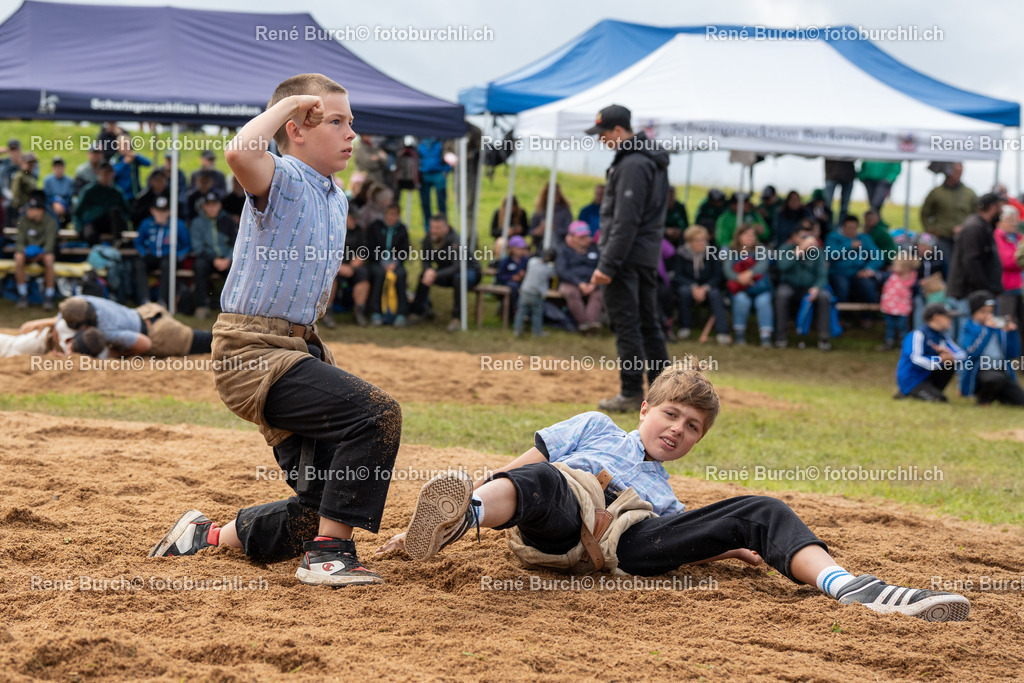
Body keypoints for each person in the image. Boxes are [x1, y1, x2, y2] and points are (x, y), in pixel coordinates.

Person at [379, 363, 970, 624]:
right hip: (559, 520)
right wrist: (448, 511)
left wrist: (734, 543)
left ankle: (851, 586)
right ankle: (462, 520)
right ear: (644, 409)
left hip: (627, 543)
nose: (677, 431)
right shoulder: (591, 427)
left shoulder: (666, 494)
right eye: (670, 415)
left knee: (760, 509)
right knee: (544, 480)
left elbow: (685, 541)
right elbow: (525, 463)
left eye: (692, 428)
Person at [149, 73, 401, 587]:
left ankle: (206, 535)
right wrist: (292, 102)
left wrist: (316, 112)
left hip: (295, 348)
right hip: (251, 352)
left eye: (352, 122)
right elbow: (241, 152)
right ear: (297, 128)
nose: (352, 133)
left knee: (316, 507)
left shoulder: (336, 198)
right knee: (376, 414)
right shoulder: (281, 176)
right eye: (336, 121)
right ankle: (330, 556)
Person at [585, 104, 670, 412]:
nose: (601, 140)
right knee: (649, 324)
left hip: (625, 258)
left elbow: (625, 220)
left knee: (627, 325)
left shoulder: (633, 164)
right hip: (645, 256)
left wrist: (607, 265)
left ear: (619, 131)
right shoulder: (650, 160)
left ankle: (632, 391)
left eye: (604, 134)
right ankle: (665, 395)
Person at [38, 295, 214, 358]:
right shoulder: (85, 301)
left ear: (84, 325)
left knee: (210, 342)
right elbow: (65, 314)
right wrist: (41, 322)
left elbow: (145, 344)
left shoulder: (106, 331)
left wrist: (118, 355)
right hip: (146, 312)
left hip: (159, 333)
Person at [410, 215, 481, 331]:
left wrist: (436, 274)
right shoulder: (428, 239)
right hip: (447, 273)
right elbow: (425, 260)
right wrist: (428, 271)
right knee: (423, 276)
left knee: (459, 279)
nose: (433, 231)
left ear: (446, 229)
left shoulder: (455, 241)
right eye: (432, 227)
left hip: (469, 272)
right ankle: (417, 312)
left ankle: (456, 318)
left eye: (437, 228)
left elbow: (456, 267)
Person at [946, 193, 1005, 331]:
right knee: (969, 334)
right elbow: (971, 262)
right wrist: (986, 289)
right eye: (1000, 207)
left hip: (977, 293)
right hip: (969, 295)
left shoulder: (983, 226)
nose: (1002, 211)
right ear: (992, 207)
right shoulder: (974, 227)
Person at [957, 291, 1023, 406]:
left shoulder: (998, 328)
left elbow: (1012, 353)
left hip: (1001, 370)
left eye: (990, 311)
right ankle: (984, 398)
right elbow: (972, 353)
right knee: (992, 379)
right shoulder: (968, 327)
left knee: (1020, 400)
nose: (988, 315)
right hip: (980, 370)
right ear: (973, 311)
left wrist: (1012, 333)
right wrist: (987, 330)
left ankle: (999, 396)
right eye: (983, 312)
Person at [775, 224, 831, 350]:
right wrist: (799, 251)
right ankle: (780, 337)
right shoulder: (786, 248)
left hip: (810, 287)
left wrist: (816, 287)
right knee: (782, 295)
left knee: (824, 297)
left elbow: (823, 275)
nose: (807, 239)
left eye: (810, 236)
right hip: (789, 285)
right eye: (804, 236)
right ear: (794, 237)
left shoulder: (817, 252)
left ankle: (824, 338)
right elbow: (782, 266)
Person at [895, 303, 965, 402]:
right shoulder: (918, 334)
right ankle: (907, 392)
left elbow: (962, 355)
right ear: (936, 317)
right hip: (912, 380)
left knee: (950, 363)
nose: (951, 320)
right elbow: (915, 359)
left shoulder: (942, 336)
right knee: (939, 400)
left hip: (927, 377)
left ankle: (933, 390)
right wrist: (940, 359)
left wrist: (950, 356)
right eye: (947, 317)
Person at [675, 225, 730, 345]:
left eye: (704, 240)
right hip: (689, 286)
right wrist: (693, 287)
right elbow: (678, 276)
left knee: (715, 294)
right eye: (697, 240)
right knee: (684, 292)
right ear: (689, 241)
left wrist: (704, 288)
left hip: (708, 286)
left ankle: (723, 332)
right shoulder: (681, 253)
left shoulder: (712, 252)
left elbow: (717, 276)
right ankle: (684, 327)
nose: (701, 243)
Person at [133, 196, 190, 306]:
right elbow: (138, 241)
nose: (160, 214)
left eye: (164, 211)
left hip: (169, 256)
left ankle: (162, 301)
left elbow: (187, 245)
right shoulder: (146, 223)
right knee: (139, 263)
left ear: (169, 211)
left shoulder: (177, 224)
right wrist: (143, 253)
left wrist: (178, 256)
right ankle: (145, 300)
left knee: (167, 264)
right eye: (158, 211)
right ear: (152, 211)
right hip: (151, 255)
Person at [189, 191, 235, 319]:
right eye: (208, 205)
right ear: (203, 206)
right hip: (208, 259)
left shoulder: (228, 220)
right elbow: (198, 247)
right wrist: (214, 259)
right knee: (199, 266)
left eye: (214, 204)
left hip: (227, 259)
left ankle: (233, 307)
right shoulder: (197, 222)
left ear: (219, 205)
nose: (211, 208)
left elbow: (236, 242)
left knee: (237, 270)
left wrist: (228, 258)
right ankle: (201, 306)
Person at [724, 223, 773, 347]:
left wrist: (749, 273)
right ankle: (739, 334)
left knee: (764, 301)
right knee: (741, 300)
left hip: (759, 287)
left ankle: (765, 336)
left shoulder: (761, 249)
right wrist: (739, 278)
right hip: (740, 287)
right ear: (739, 236)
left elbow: (763, 265)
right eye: (746, 234)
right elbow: (727, 270)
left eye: (752, 234)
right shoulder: (731, 251)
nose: (750, 237)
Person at [825, 215, 882, 319]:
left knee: (868, 287)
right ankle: (841, 318)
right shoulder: (833, 237)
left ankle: (867, 317)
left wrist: (868, 269)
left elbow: (878, 256)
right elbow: (829, 255)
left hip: (858, 272)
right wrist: (849, 246)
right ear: (843, 227)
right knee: (842, 288)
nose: (852, 231)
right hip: (838, 272)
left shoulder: (864, 238)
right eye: (849, 228)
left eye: (854, 228)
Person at [920, 163, 977, 263]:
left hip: (963, 238)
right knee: (946, 265)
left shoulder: (969, 193)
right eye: (956, 171)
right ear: (948, 171)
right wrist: (931, 229)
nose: (958, 174)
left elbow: (976, 215)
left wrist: (965, 227)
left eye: (960, 172)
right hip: (943, 238)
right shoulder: (936, 192)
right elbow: (924, 213)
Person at [367, 203, 410, 327]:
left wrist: (394, 263)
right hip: (377, 262)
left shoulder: (402, 229)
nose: (391, 218)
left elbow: (405, 250)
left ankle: (400, 313)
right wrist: (381, 262)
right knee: (379, 275)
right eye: (389, 215)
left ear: (398, 216)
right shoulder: (375, 227)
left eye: (394, 215)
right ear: (384, 215)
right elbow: (369, 248)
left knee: (401, 275)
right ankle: (376, 312)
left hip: (395, 263)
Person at [557, 222, 603, 334]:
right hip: (570, 283)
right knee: (571, 292)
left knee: (599, 294)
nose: (585, 239)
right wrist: (579, 283)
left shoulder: (594, 249)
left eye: (586, 236)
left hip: (593, 283)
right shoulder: (563, 250)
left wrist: (593, 284)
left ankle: (590, 324)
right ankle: (584, 324)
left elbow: (600, 267)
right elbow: (562, 271)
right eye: (581, 237)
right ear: (571, 237)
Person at [13, 193, 57, 310]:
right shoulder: (23, 220)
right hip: (27, 254)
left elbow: (50, 244)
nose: (28, 211)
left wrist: (40, 253)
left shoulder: (50, 221)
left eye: (32, 209)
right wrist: (26, 252)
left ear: (40, 210)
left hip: (43, 254)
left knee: (49, 259)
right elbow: (19, 242)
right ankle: (23, 295)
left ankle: (49, 296)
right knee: (18, 257)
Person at [74, 162, 130, 245]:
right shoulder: (88, 191)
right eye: (104, 174)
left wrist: (123, 223)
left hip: (110, 225)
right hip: (92, 222)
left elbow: (127, 212)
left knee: (115, 211)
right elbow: (76, 213)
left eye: (109, 174)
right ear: (98, 174)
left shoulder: (117, 192)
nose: (107, 177)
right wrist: (79, 228)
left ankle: (117, 241)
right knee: (90, 235)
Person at [994, 204, 1024, 352]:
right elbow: (1007, 260)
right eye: (1010, 219)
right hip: (1006, 288)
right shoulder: (998, 236)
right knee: (1005, 323)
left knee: (1020, 325)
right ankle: (1003, 358)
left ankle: (1019, 360)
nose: (1014, 222)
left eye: (1015, 219)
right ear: (1001, 221)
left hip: (1020, 288)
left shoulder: (1018, 237)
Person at [879, 253, 919, 351]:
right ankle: (889, 342)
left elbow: (915, 288)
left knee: (903, 327)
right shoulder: (891, 276)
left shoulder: (911, 279)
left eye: (896, 265)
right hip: (889, 307)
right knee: (889, 326)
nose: (893, 267)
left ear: (905, 268)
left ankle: (903, 344)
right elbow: (880, 277)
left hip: (902, 308)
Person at [514, 248, 556, 337]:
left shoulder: (532, 262)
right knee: (537, 314)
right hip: (537, 294)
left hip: (525, 291)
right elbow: (553, 275)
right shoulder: (549, 269)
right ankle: (537, 332)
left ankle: (517, 330)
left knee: (521, 311)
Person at [530, 183, 573, 248]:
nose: (556, 196)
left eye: (557, 193)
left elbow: (568, 230)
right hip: (540, 243)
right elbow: (530, 231)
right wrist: (538, 230)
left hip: (560, 243)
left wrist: (553, 227)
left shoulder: (565, 211)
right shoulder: (539, 211)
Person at [418, 137, 449, 222]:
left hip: (438, 174)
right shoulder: (419, 141)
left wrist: (446, 170)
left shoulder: (441, 141)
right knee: (425, 204)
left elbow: (447, 154)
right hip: (424, 175)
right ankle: (428, 229)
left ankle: (443, 226)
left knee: (441, 203)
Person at [112, 136, 151, 202]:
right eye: (122, 145)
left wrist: (136, 156)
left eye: (127, 145)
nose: (125, 148)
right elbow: (114, 173)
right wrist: (125, 163)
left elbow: (148, 163)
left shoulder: (134, 158)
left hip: (135, 194)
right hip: (122, 195)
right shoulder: (115, 159)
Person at [495, 234, 531, 307]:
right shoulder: (505, 261)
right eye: (518, 248)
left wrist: (524, 275)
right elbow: (500, 276)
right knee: (513, 286)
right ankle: (515, 309)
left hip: (524, 284)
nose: (520, 251)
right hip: (509, 284)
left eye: (522, 248)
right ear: (511, 248)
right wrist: (512, 277)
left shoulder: (527, 261)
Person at [42, 157, 74, 227]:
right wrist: (55, 203)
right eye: (56, 167)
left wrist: (62, 205)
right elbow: (46, 196)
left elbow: (69, 196)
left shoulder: (69, 180)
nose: (58, 169)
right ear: (53, 168)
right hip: (51, 205)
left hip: (65, 206)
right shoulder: (48, 180)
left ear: (64, 168)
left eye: (60, 167)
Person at [823, 158, 856, 224]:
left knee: (844, 207)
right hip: (832, 174)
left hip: (847, 175)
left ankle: (841, 228)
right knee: (827, 205)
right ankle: (827, 227)